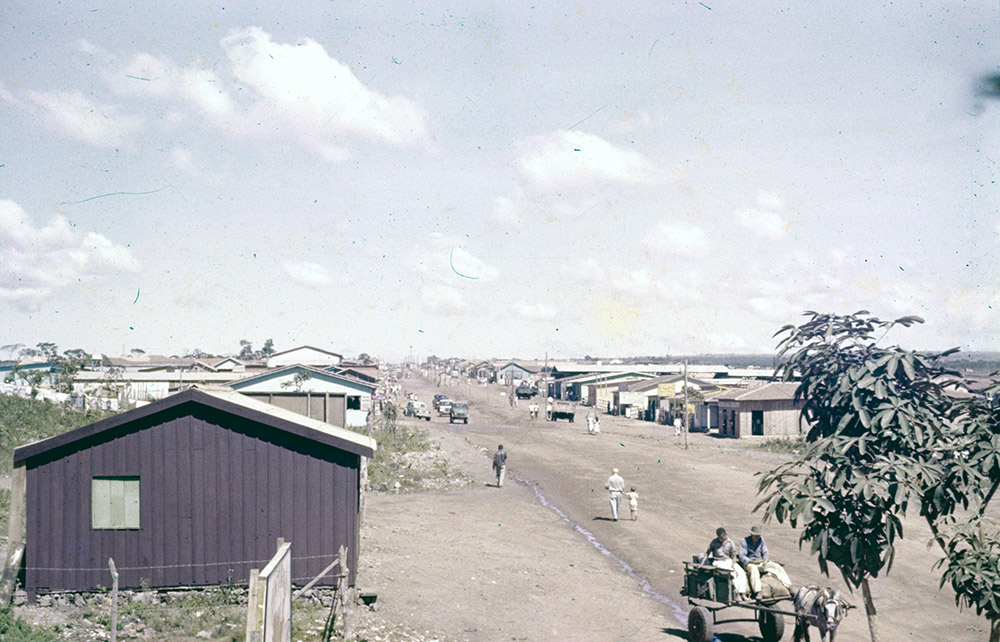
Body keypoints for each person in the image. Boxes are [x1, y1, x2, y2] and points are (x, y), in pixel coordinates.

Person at [739, 525, 792, 596]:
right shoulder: (744, 541)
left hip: (759, 561)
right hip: (749, 563)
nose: (757, 537)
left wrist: (765, 560)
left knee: (776, 566)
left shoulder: (761, 540)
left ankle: (788, 586)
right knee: (753, 569)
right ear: (751, 534)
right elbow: (742, 556)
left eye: (758, 536)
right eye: (755, 536)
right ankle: (758, 591)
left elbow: (765, 552)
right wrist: (752, 561)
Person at [704, 527, 750, 599]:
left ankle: (742, 593)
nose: (721, 539)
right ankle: (737, 593)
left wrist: (733, 564)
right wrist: (702, 563)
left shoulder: (730, 542)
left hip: (728, 561)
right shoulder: (714, 542)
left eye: (722, 537)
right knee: (732, 573)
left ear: (725, 534)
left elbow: (734, 555)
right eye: (719, 538)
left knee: (741, 572)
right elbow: (707, 553)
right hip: (718, 561)